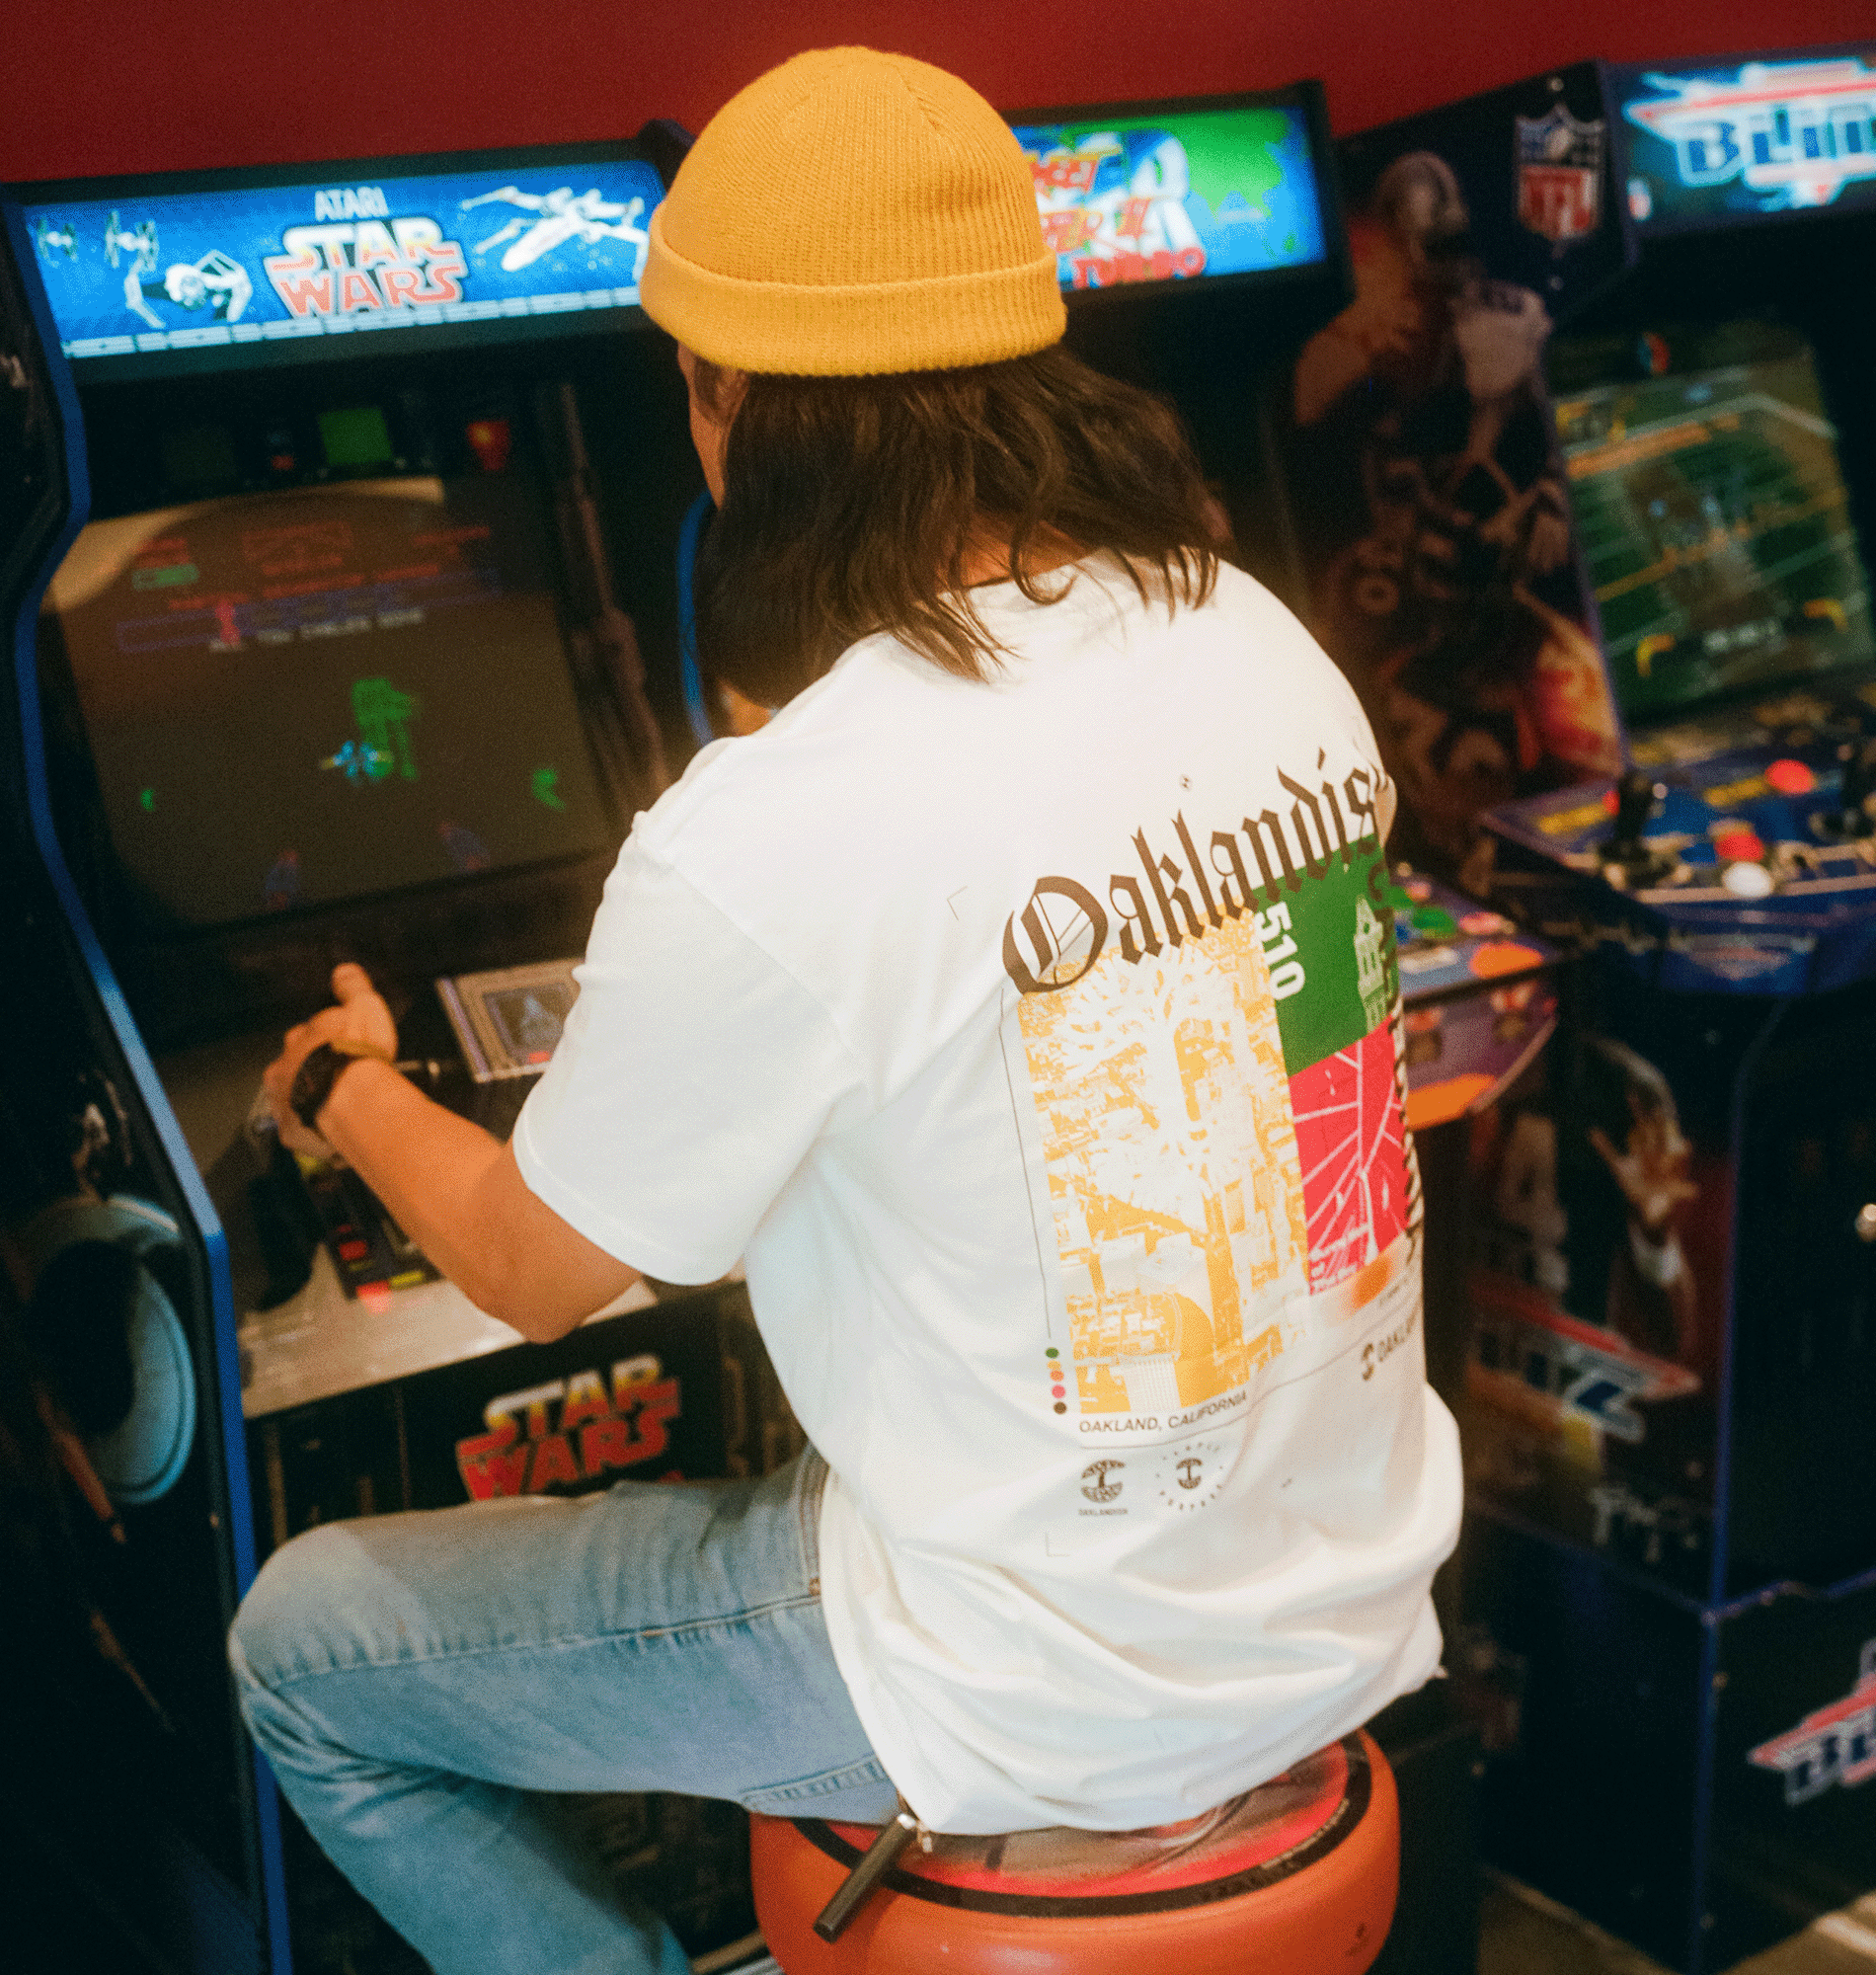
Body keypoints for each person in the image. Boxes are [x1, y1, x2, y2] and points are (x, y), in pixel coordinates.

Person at [231, 47, 1461, 1975]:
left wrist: (351, 1087)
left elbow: (537, 1275)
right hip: (1329, 1614)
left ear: (734, 412)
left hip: (1032, 1688)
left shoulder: (788, 826)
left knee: (299, 1648)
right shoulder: (1252, 638)